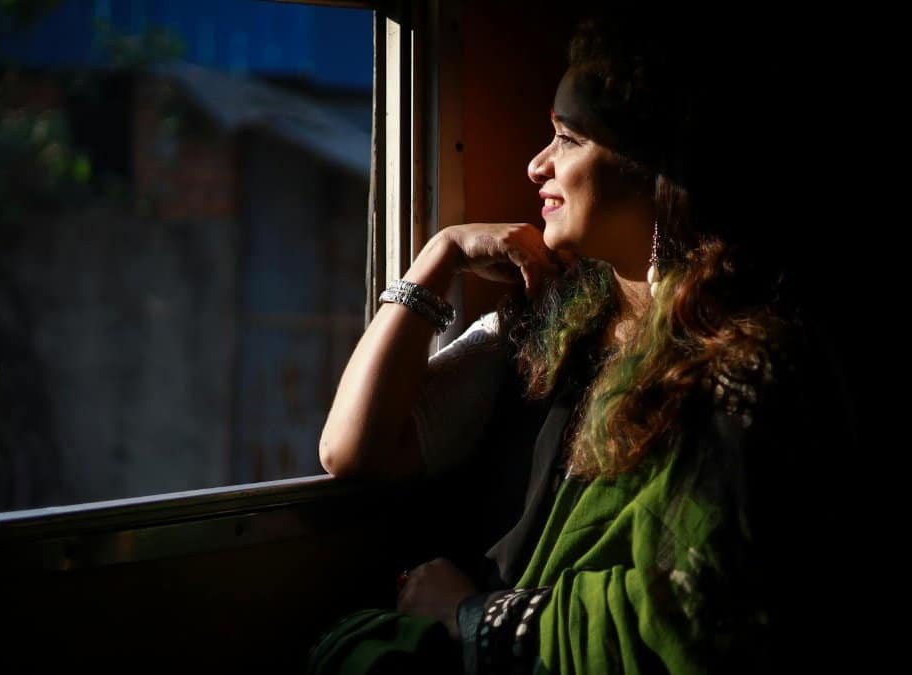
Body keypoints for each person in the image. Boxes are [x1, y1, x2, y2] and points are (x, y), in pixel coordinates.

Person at [309, 7, 853, 674]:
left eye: (567, 139)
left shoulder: (742, 370)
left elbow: (698, 616)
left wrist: (471, 616)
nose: (537, 164)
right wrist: (438, 256)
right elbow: (352, 449)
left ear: (651, 165)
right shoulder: (552, 320)